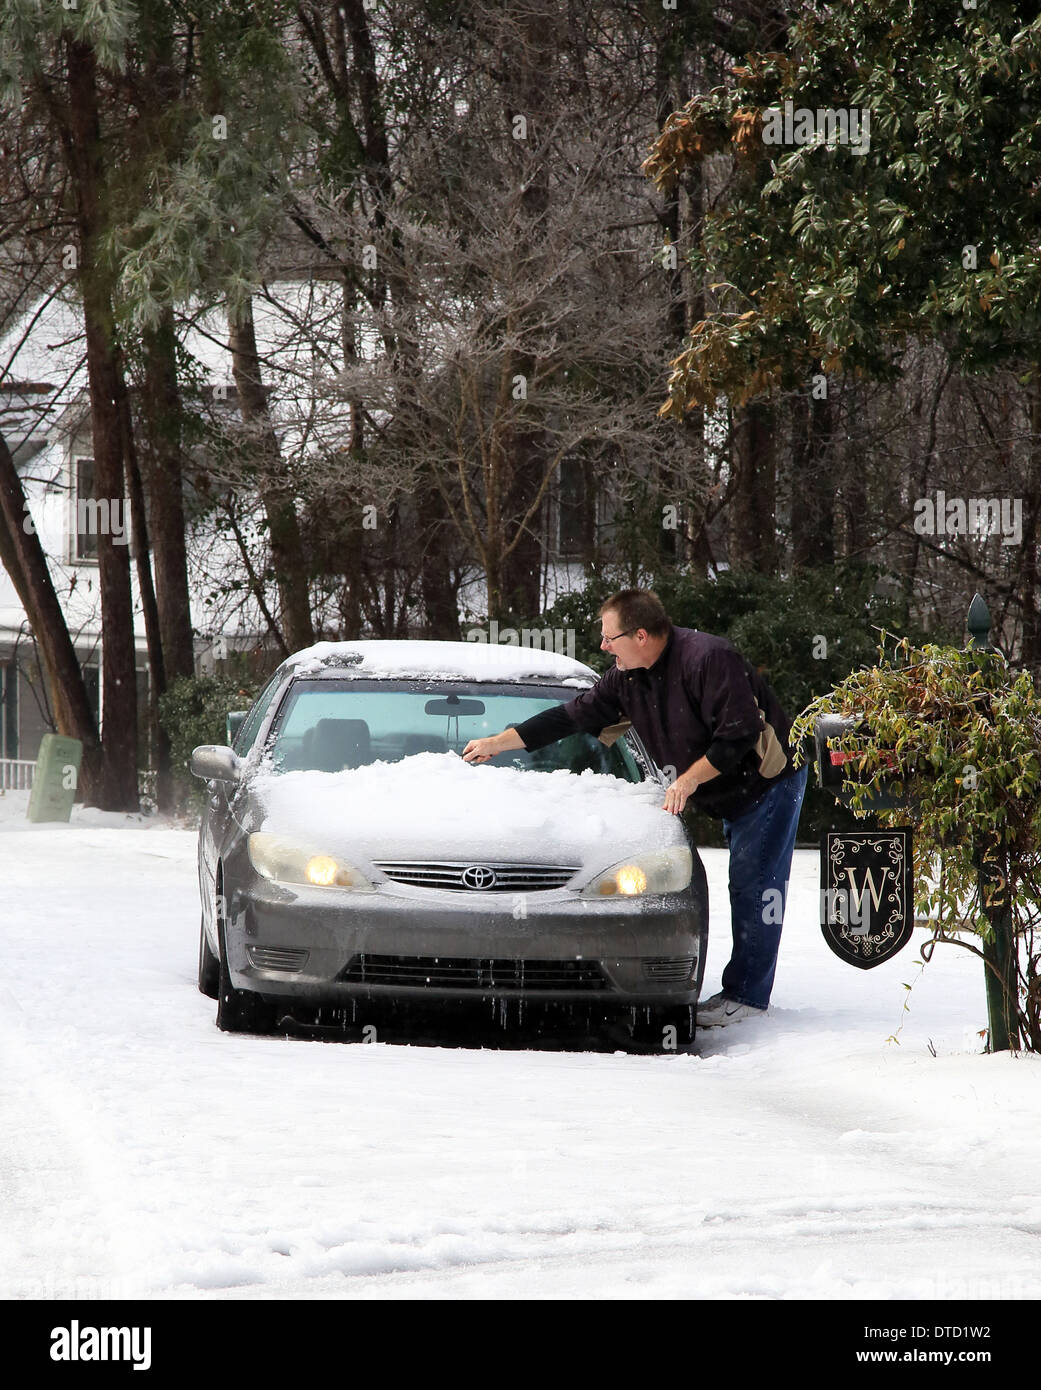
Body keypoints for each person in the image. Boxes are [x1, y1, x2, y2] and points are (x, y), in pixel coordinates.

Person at [462, 589, 808, 1026]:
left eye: (610, 638)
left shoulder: (708, 659)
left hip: (766, 783)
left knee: (753, 884)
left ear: (641, 635)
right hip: (724, 790)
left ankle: (748, 997)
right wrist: (499, 742)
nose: (604, 647)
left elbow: (737, 735)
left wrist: (688, 779)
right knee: (744, 880)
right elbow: (570, 717)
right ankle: (743, 987)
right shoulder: (625, 677)